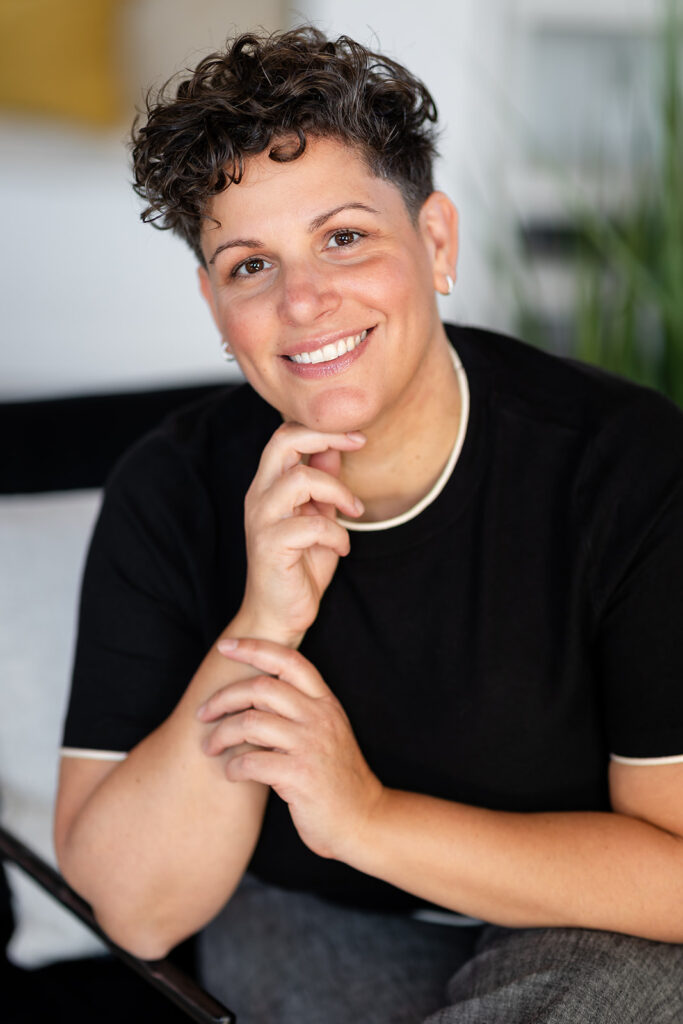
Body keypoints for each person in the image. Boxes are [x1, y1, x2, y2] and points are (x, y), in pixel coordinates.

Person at [54, 26, 683, 1024]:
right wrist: (259, 627)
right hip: (313, 917)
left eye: (344, 237)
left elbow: (675, 881)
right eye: (248, 265)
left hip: (568, 911)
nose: (302, 301)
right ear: (214, 303)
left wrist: (365, 817)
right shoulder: (169, 489)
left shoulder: (623, 468)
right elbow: (132, 911)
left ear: (434, 241)